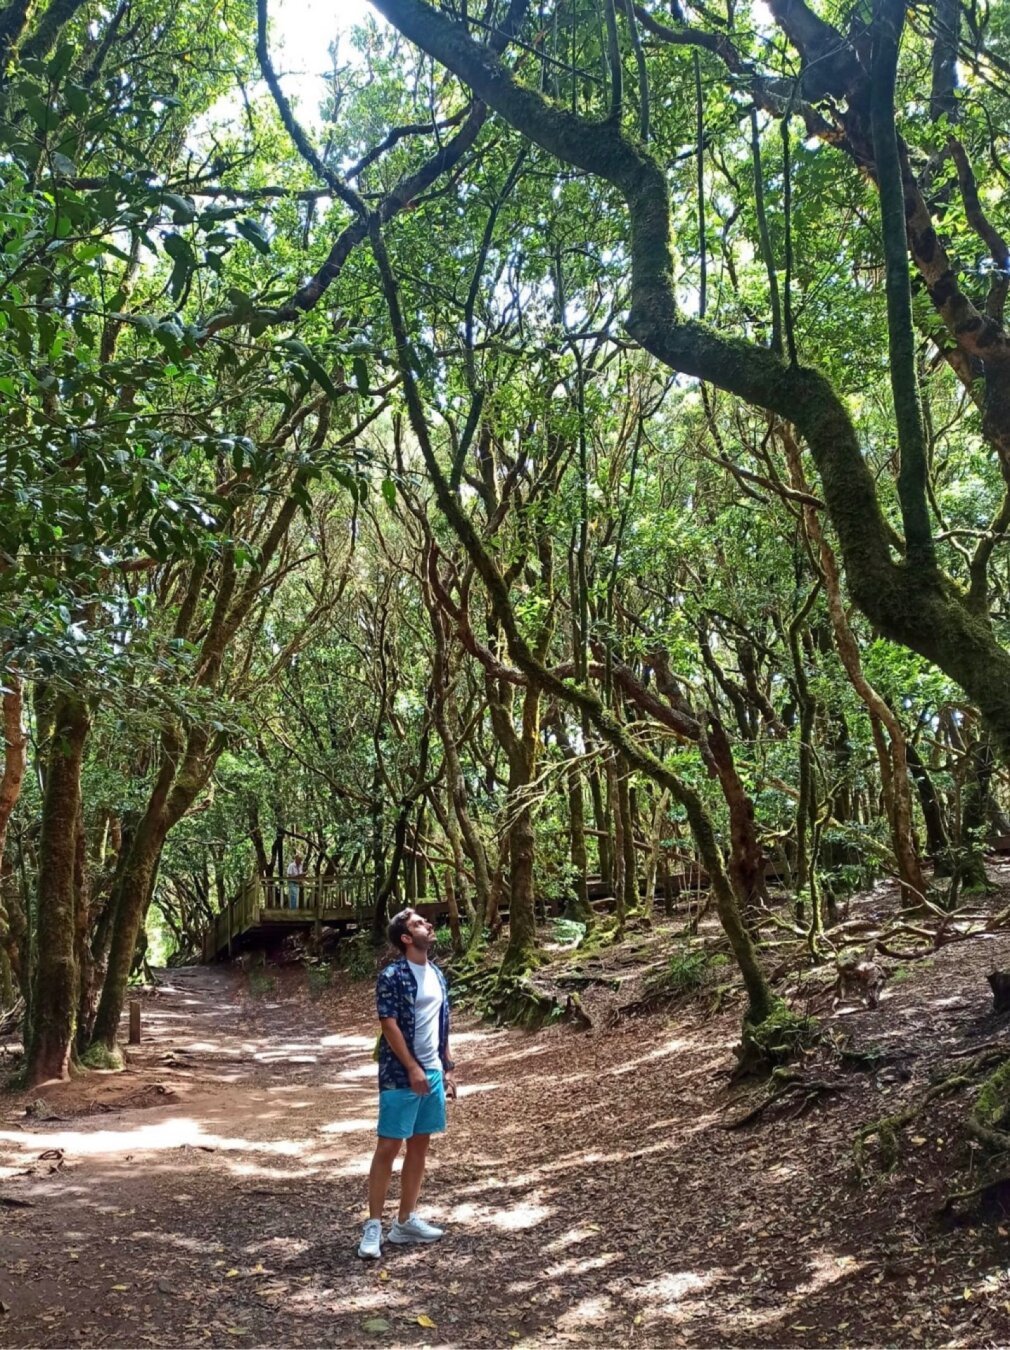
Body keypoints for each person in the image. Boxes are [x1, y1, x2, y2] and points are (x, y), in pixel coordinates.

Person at [358, 908, 456, 1259]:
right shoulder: (392, 975)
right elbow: (389, 1024)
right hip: (401, 1074)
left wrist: (446, 1068)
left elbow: (442, 1022)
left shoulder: (437, 975)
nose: (427, 925)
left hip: (432, 1071)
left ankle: (405, 1221)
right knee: (388, 1146)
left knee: (419, 1145)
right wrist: (412, 1068)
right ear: (405, 937)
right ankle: (373, 1227)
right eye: (418, 923)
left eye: (425, 923)